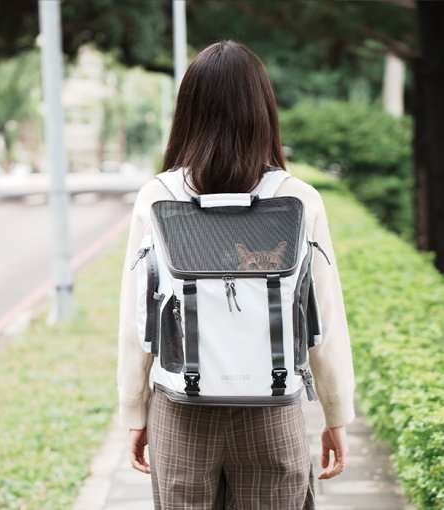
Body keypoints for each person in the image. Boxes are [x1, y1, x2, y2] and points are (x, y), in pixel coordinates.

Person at [117, 40, 355, 510]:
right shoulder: (298, 198)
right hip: (273, 412)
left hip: (180, 411)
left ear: (188, 112)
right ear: (263, 112)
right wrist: (336, 413)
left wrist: (134, 411)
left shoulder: (158, 197)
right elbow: (323, 320)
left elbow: (136, 321)